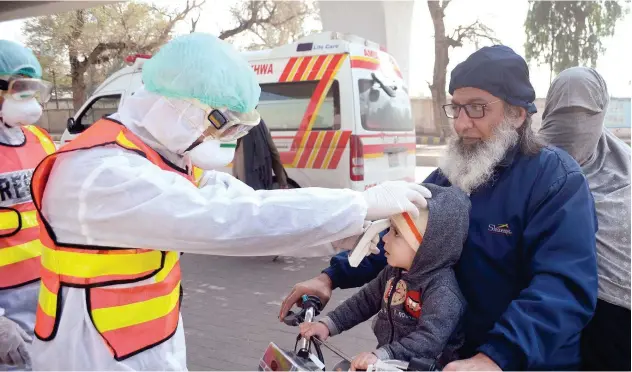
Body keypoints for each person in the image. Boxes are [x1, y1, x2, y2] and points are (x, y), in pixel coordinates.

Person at [27, 33, 430, 371]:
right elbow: (227, 221)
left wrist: (342, 232)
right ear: (176, 104)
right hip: (88, 354)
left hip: (141, 344)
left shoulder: (156, 152)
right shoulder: (101, 172)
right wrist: (357, 206)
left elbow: (245, 200)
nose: (224, 140)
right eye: (220, 122)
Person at [280, 45, 599, 371]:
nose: (461, 124)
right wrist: (330, 278)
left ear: (517, 115)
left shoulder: (555, 180)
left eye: (477, 108)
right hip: (441, 357)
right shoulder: (449, 176)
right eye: (456, 108)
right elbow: (400, 236)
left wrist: (495, 357)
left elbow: (562, 286)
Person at [300, 184, 469, 371]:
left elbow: (428, 341)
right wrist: (328, 325)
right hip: (390, 362)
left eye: (396, 233)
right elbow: (364, 301)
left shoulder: (442, 290)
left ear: (426, 248)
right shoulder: (393, 272)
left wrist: (382, 355)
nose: (384, 238)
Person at [539, 66, 631, 371]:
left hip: (615, 318)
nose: (575, 126)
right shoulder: (528, 165)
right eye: (564, 114)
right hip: (547, 310)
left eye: (585, 114)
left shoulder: (625, 169)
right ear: (549, 110)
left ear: (601, 114)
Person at [0, 40, 55, 370]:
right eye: (21, 89)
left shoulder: (41, 140)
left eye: (33, 89)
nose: (30, 100)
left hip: (47, 293)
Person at [233, 117, 288, 189]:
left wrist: (282, 179)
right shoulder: (260, 124)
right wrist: (282, 180)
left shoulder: (237, 122)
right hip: (258, 179)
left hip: (245, 180)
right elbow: (274, 153)